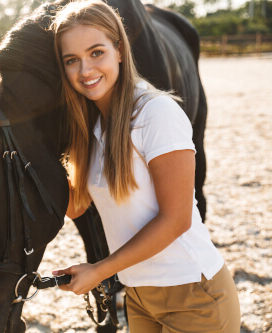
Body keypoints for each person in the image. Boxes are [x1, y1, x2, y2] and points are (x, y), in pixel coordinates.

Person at [49, 1, 241, 332]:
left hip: (194, 294)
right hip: (140, 296)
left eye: (97, 53)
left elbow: (176, 219)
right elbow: (78, 206)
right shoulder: (94, 129)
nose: (85, 71)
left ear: (120, 50)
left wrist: (100, 270)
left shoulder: (156, 113)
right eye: (72, 60)